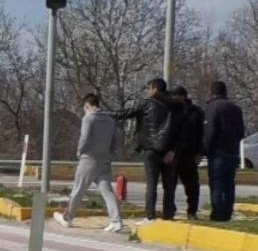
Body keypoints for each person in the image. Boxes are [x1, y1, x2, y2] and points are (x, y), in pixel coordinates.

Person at [107, 77, 181, 222]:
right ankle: (168, 215)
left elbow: (125, 113)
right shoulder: (176, 107)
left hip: (151, 149)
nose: (148, 91)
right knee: (169, 185)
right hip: (169, 152)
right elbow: (180, 131)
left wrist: (104, 113)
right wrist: (173, 150)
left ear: (154, 89)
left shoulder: (147, 104)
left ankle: (150, 216)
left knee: (151, 184)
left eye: (149, 88)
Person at [54, 93, 126, 232]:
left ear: (87, 106)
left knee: (78, 189)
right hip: (105, 160)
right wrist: (111, 154)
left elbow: (84, 137)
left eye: (84, 108)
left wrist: (79, 151)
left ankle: (67, 218)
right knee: (107, 191)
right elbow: (116, 140)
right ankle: (116, 221)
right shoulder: (110, 120)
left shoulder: (88, 118)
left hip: (88, 160)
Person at [202, 80, 246, 222]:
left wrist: (205, 149)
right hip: (232, 152)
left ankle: (217, 214)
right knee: (229, 184)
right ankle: (227, 212)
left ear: (212, 92)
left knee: (217, 184)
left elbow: (210, 131)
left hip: (217, 153)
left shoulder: (212, 108)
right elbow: (241, 132)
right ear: (225, 92)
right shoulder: (236, 108)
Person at [170, 85, 205, 220]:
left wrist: (200, 152)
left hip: (189, 153)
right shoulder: (169, 110)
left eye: (176, 96)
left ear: (183, 96)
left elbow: (201, 133)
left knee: (192, 186)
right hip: (172, 153)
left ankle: (192, 211)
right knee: (170, 185)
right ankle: (170, 210)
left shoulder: (195, 112)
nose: (174, 99)